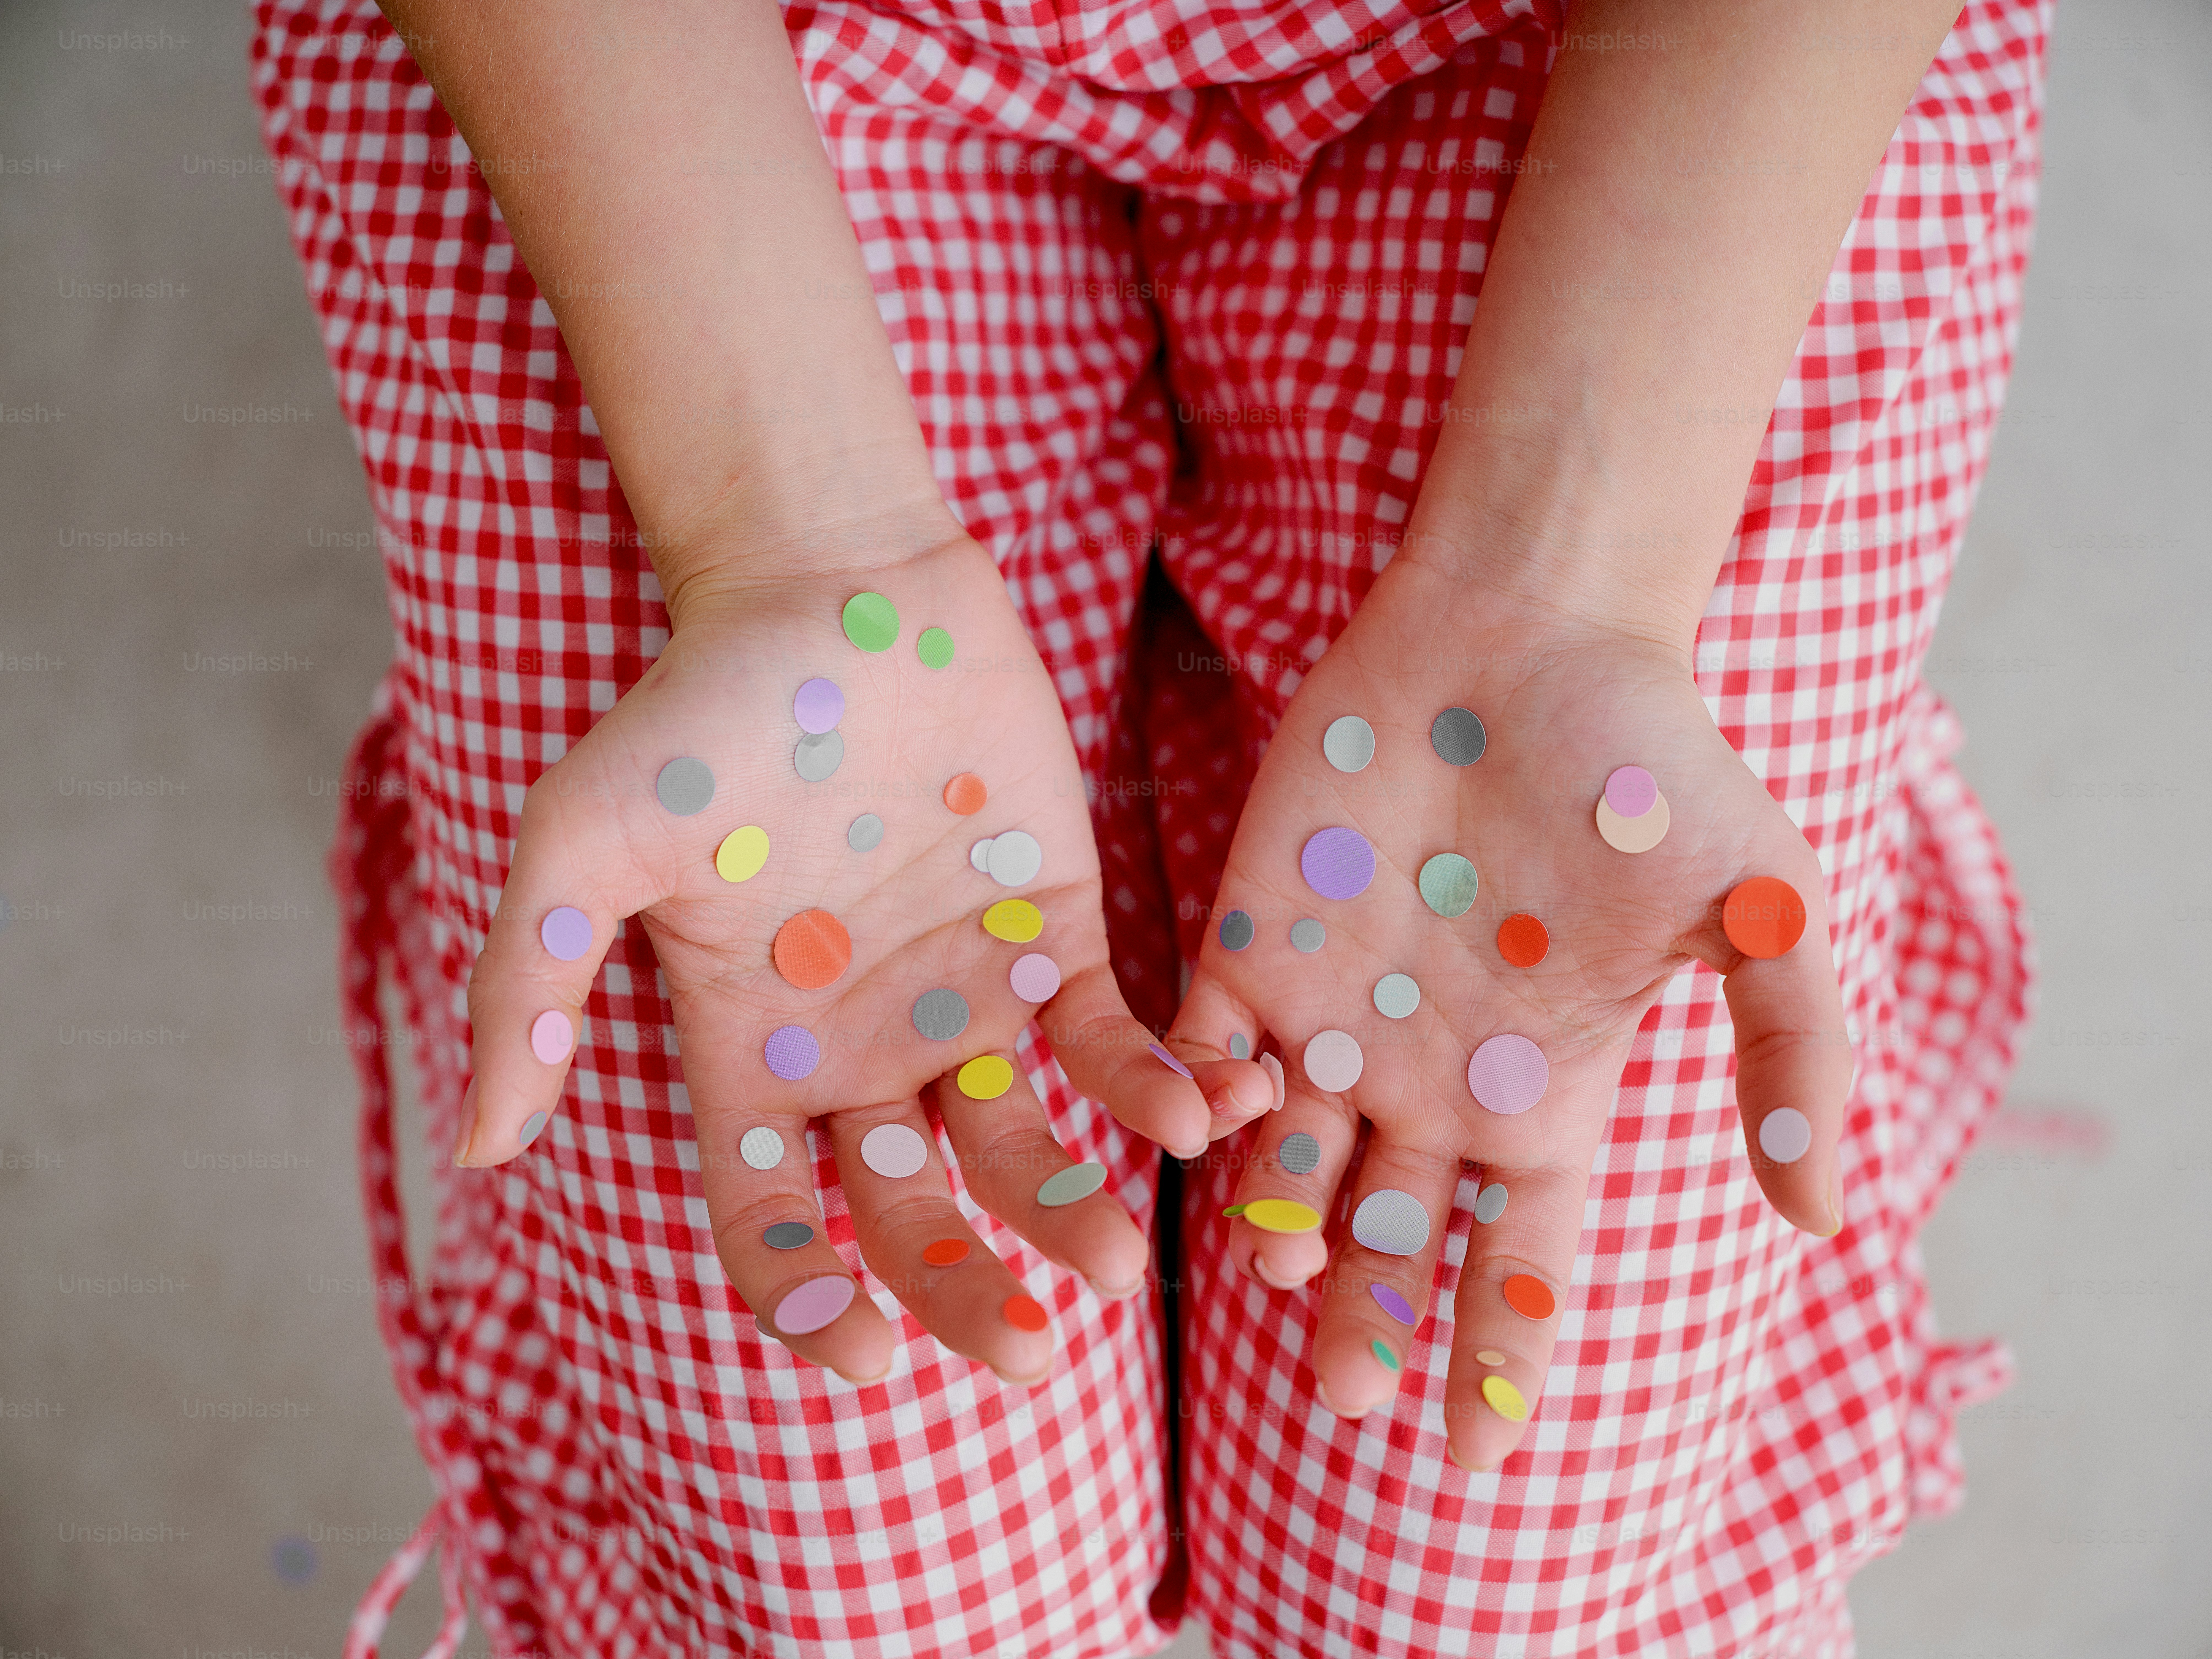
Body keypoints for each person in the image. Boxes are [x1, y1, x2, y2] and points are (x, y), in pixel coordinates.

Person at [256, 0, 2042, 1651]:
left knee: (1507, 1590)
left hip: (1657, 76)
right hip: (696, 77)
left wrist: (1570, 589)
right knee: (865, 1590)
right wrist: (796, 546)